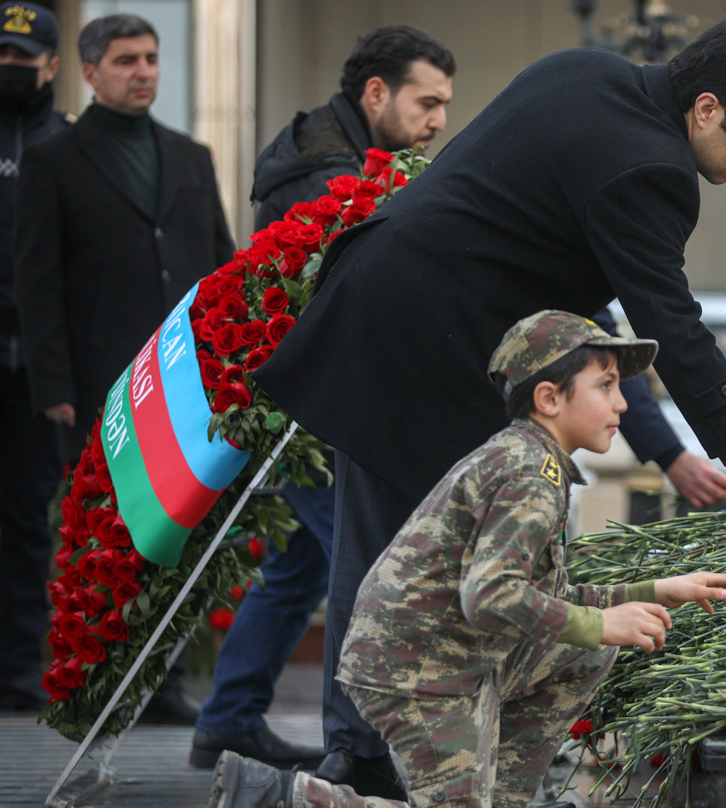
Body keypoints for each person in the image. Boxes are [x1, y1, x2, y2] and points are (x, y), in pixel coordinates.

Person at [251, 15, 726, 799]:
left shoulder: (585, 71)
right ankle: (356, 773)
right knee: (427, 568)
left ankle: (365, 758)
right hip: (428, 344)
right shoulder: (651, 169)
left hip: (383, 308)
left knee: (390, 555)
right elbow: (673, 328)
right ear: (707, 109)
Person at [209, 310, 726, 808]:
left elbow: (544, 599)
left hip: (450, 653)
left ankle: (502, 798)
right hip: (417, 668)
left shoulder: (533, 458)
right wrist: (600, 621)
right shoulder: (528, 476)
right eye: (605, 386)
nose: (622, 404)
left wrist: (654, 592)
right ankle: (283, 798)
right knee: (591, 634)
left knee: (589, 647)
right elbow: (491, 595)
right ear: (549, 398)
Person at [190, 24, 458, 773]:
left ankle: (228, 718)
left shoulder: (327, 150)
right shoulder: (326, 175)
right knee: (364, 563)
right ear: (376, 93)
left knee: (300, 568)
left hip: (303, 397)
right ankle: (360, 744)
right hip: (308, 407)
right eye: (427, 103)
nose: (439, 121)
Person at [14, 11, 236, 724]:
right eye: (125, 61)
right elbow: (37, 283)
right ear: (88, 73)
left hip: (183, 382)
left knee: (177, 533)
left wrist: (230, 361)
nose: (143, 72)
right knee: (103, 539)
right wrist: (53, 387)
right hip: (98, 387)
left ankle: (161, 684)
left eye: (151, 58)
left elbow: (221, 268)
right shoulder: (54, 160)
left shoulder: (191, 155)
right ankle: (96, 681)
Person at [0, 0, 70, 714]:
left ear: (52, 65)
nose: (11, 67)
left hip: (35, 370)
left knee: (26, 520)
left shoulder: (69, 145)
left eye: (23, 57)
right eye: (3, 55)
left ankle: (18, 668)